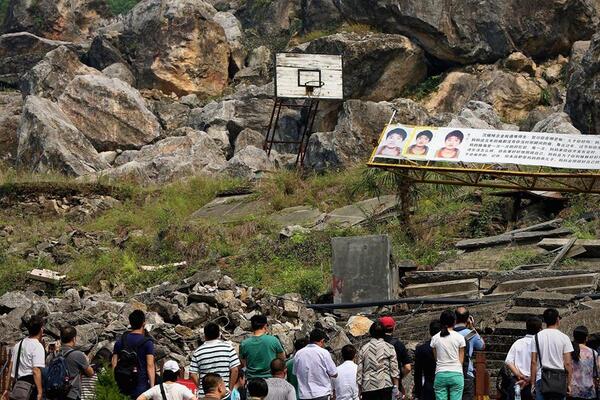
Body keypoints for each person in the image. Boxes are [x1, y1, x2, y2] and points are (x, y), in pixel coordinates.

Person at [530, 308, 574, 400]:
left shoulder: (537, 337)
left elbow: (533, 362)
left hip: (541, 378)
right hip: (559, 380)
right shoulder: (564, 338)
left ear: (544, 321)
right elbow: (568, 363)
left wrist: (532, 383)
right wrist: (569, 384)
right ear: (557, 319)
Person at [112, 310, 156, 399]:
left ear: (130, 323)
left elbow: (114, 364)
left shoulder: (120, 341)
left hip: (122, 385)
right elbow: (150, 366)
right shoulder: (147, 343)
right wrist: (152, 388)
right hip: (140, 386)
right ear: (143, 323)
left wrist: (113, 382)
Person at [190, 323, 240, 397]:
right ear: (219, 334)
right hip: (223, 394)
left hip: (205, 394)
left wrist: (201, 387)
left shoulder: (198, 352)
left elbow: (192, 374)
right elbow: (235, 370)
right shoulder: (228, 348)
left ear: (205, 335)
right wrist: (230, 388)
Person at [45, 325, 94, 400]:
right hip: (71, 394)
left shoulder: (54, 354)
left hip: (55, 393)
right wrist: (86, 361)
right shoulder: (78, 355)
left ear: (61, 338)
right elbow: (91, 373)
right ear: (74, 339)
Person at [357, 321, 400, 400]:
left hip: (368, 387)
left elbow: (359, 371)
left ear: (371, 333)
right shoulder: (389, 347)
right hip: (385, 384)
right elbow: (394, 369)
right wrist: (396, 387)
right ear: (384, 332)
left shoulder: (363, 349)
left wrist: (359, 390)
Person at [5, 315, 45, 400]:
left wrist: (6, 388)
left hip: (17, 386)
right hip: (30, 388)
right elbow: (36, 370)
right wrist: (40, 392)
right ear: (41, 329)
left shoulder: (18, 345)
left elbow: (10, 368)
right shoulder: (37, 346)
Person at [431, 310, 466, 400]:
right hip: (456, 373)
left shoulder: (435, 338)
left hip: (440, 373)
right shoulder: (460, 338)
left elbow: (436, 359)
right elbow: (461, 360)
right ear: (454, 321)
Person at [505, 317, 543, 400]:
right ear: (540, 329)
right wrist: (528, 379)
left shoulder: (518, 342)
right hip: (533, 381)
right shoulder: (541, 345)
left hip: (517, 381)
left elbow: (508, 361)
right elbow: (540, 365)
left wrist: (519, 375)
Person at [293, 329, 337, 400]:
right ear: (322, 341)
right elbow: (334, 373)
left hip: (304, 395)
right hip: (322, 394)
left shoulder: (299, 354)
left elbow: (295, 373)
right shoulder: (324, 353)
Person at [454, 307, 485, 400]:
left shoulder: (448, 333)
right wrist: (472, 327)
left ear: (455, 318)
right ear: (468, 318)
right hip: (466, 372)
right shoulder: (471, 334)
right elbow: (482, 346)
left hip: (450, 372)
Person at [379, 316, 412, 398]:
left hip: (378, 385)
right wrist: (399, 376)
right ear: (394, 328)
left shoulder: (375, 344)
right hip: (395, 384)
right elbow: (408, 368)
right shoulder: (399, 344)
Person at [414, 320, 442, 400]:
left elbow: (418, 373)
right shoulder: (447, 347)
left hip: (429, 386)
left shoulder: (422, 349)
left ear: (430, 332)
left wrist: (418, 393)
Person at [570, 326, 599, 400]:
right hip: (589, 391)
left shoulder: (569, 352)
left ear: (574, 337)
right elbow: (596, 373)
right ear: (586, 338)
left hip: (574, 391)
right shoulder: (593, 353)